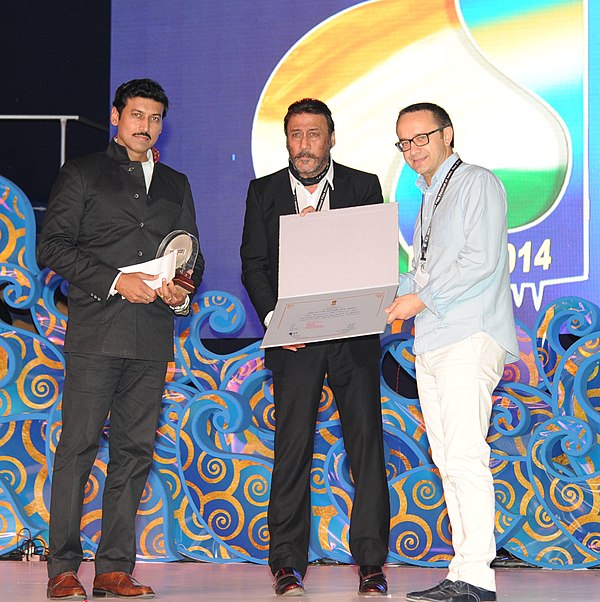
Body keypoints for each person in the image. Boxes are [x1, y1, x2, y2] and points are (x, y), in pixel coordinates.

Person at [38, 78, 204, 600]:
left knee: (133, 453)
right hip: (96, 331)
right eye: (136, 115)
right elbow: (53, 248)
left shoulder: (177, 183)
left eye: (155, 118)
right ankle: (62, 569)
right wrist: (116, 279)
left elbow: (191, 257)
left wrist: (181, 291)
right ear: (116, 116)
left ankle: (114, 569)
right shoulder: (83, 172)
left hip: (153, 336)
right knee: (78, 449)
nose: (145, 126)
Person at [240, 98, 390, 597]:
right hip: (294, 343)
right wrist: (277, 321)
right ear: (286, 139)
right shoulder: (263, 192)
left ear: (331, 138)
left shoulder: (362, 185)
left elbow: (374, 261)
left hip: (353, 340)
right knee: (292, 449)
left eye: (314, 134)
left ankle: (371, 563)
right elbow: (253, 265)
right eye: (296, 134)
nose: (304, 145)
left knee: (366, 448)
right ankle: (286, 564)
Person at [385, 103, 518, 602]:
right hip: (433, 339)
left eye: (422, 138)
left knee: (464, 454)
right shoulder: (427, 201)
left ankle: (478, 577)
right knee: (448, 458)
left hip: (469, 334)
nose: (413, 150)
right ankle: (463, 570)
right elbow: (421, 275)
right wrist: (371, 293)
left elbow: (481, 260)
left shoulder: (476, 182)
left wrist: (417, 298)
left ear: (448, 135)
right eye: (404, 143)